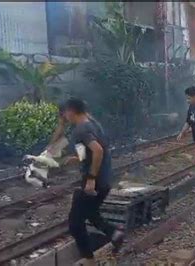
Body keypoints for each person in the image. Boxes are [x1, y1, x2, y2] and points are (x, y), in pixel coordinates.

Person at [62, 98, 124, 265]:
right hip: (105, 180)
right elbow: (90, 151)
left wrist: (90, 179)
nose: (65, 117)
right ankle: (114, 234)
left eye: (65, 113)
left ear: (70, 111)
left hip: (94, 182)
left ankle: (89, 260)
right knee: (91, 213)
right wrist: (77, 159)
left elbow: (97, 150)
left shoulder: (80, 129)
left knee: (75, 224)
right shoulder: (94, 123)